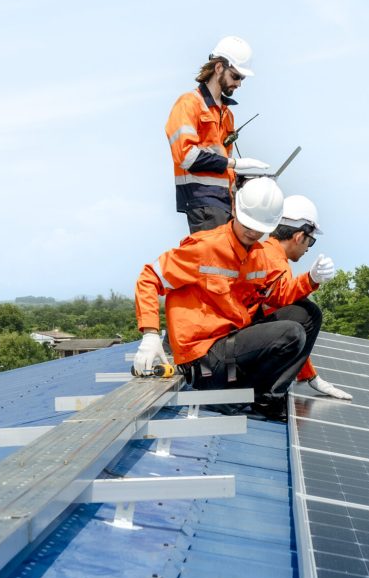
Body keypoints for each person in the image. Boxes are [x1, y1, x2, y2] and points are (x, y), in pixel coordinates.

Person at [132, 178, 335, 421]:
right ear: (236, 210)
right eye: (248, 224)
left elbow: (278, 296)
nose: (251, 232)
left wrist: (311, 280)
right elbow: (149, 277)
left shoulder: (258, 256)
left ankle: (265, 397)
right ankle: (240, 397)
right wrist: (150, 334)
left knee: (306, 314)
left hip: (229, 344)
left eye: (258, 228)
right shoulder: (205, 248)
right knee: (291, 333)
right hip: (203, 356)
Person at [165, 35, 271, 234]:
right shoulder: (189, 104)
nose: (239, 84)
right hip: (202, 202)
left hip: (224, 203)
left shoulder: (226, 114)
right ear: (219, 67)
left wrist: (243, 179)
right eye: (236, 76)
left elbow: (221, 164)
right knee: (213, 264)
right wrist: (235, 164)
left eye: (242, 78)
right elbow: (186, 157)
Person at [260, 195, 351, 400]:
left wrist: (308, 373)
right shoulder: (271, 259)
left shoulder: (268, 253)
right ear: (299, 236)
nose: (308, 248)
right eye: (310, 241)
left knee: (304, 310)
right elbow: (280, 305)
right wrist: (310, 279)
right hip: (238, 348)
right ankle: (268, 395)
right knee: (307, 312)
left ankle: (271, 389)